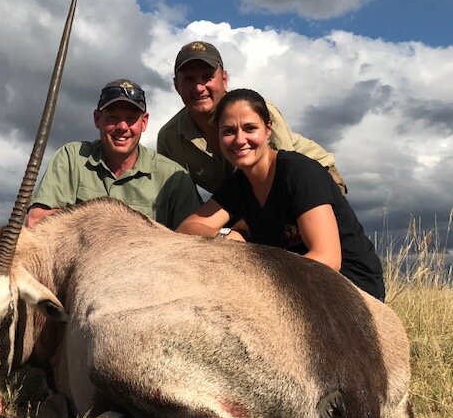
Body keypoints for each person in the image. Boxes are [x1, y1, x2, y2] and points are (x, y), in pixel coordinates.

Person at [176, 89, 385, 301]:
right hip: (293, 282)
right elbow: (187, 229)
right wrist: (229, 237)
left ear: (268, 130)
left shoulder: (300, 172)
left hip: (350, 286)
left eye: (250, 128)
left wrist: (257, 277)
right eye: (228, 131)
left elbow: (327, 258)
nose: (239, 140)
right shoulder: (238, 184)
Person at [157, 41, 348, 195]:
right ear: (176, 85)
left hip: (312, 179)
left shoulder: (261, 110)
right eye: (189, 79)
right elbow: (181, 198)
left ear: (224, 79)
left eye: (207, 77)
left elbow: (289, 175)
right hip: (247, 198)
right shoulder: (169, 137)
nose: (199, 88)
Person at [26, 79, 200, 229]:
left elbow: (192, 239)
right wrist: (102, 221)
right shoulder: (71, 157)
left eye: (131, 118)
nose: (122, 127)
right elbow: (36, 221)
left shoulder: (174, 177)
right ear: (97, 119)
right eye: (113, 117)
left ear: (144, 122)